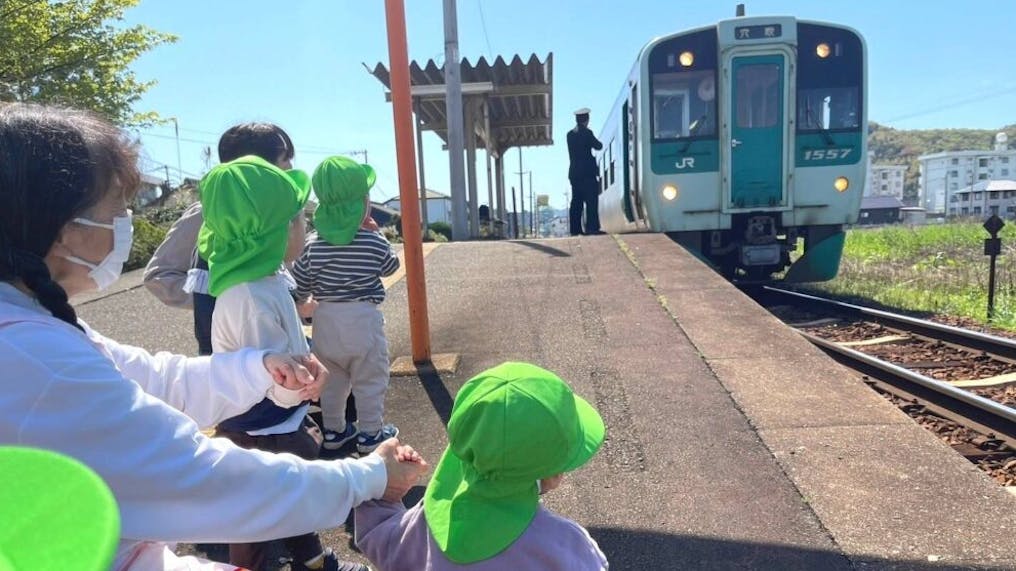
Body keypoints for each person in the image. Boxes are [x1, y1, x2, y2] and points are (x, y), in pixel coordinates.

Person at [0, 104, 428, 571]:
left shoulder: (33, 330)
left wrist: (257, 369)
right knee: (262, 529)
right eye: (117, 208)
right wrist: (368, 476)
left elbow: (153, 380)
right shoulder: (37, 362)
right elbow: (202, 477)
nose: (127, 220)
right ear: (65, 230)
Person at [200, 154, 363, 570]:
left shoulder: (264, 278)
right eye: (297, 220)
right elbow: (276, 379)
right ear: (270, 231)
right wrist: (305, 384)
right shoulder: (251, 296)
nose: (305, 227)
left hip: (269, 422)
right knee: (260, 518)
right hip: (263, 426)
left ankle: (313, 561)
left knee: (281, 505)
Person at [354, 362, 609, 570]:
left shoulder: (420, 528)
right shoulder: (564, 546)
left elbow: (376, 535)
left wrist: (385, 485)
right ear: (554, 474)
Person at [143, 122, 298, 356]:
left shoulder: (276, 213)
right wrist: (220, 296)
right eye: (284, 158)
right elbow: (158, 276)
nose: (290, 167)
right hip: (229, 356)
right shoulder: (207, 212)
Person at [291, 156, 400, 455]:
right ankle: (370, 433)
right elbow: (391, 266)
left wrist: (304, 302)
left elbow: (299, 284)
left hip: (326, 321)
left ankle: (335, 430)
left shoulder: (312, 245)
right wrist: (376, 234)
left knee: (334, 381)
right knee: (370, 379)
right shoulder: (372, 242)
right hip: (363, 320)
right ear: (362, 204)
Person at [567, 108, 604, 236]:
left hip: (574, 174)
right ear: (587, 120)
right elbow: (598, 146)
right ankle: (592, 228)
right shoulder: (587, 133)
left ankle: (575, 230)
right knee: (591, 201)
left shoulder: (570, 135)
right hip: (587, 174)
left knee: (576, 202)